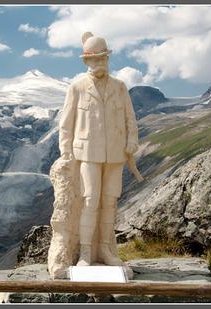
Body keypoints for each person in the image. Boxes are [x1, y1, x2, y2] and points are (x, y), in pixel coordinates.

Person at [58, 32, 139, 266]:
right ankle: (85, 253)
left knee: (110, 201)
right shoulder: (77, 88)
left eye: (103, 58)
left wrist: (132, 140)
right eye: (95, 59)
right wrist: (66, 151)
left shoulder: (120, 87)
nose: (99, 63)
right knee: (90, 200)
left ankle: (105, 250)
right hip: (87, 153)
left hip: (115, 153)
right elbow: (66, 123)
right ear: (86, 61)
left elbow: (130, 118)